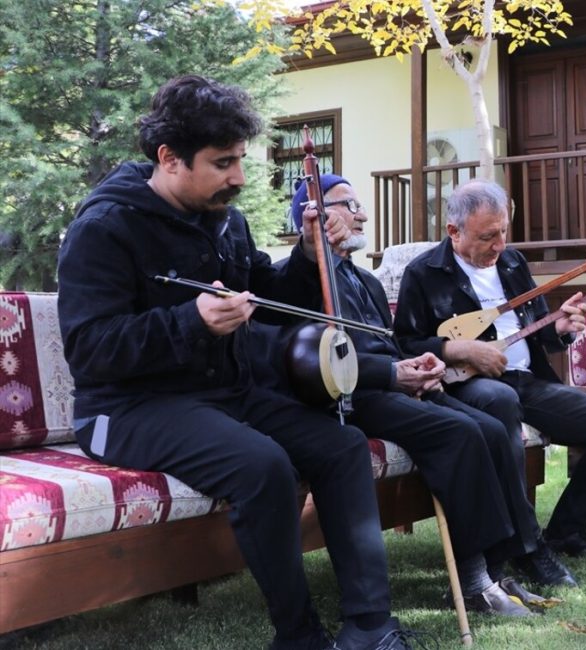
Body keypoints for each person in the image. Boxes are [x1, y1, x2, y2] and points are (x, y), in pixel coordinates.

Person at [56, 76, 417, 650]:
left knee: (342, 445)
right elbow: (91, 350)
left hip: (224, 394)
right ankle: (299, 637)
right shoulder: (103, 228)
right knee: (263, 465)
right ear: (169, 158)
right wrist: (190, 321)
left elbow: (271, 297)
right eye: (223, 163)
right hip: (128, 408)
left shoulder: (226, 218)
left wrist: (305, 254)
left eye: (240, 160)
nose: (240, 178)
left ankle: (370, 626)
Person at [255, 173, 554, 615]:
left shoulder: (369, 283)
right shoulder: (297, 279)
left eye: (359, 207)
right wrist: (394, 374)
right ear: (312, 216)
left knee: (491, 429)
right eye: (348, 206)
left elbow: (395, 346)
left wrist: (425, 367)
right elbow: (321, 360)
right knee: (460, 433)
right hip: (354, 398)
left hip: (397, 387)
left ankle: (495, 571)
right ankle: (473, 585)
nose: (361, 216)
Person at [393, 179, 586, 585]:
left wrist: (560, 328)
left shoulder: (512, 263)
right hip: (467, 386)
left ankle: (566, 530)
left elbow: (540, 332)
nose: (499, 244)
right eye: (487, 236)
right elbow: (405, 343)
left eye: (504, 231)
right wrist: (461, 350)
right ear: (454, 232)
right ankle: (527, 547)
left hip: (526, 380)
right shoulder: (425, 273)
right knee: (500, 400)